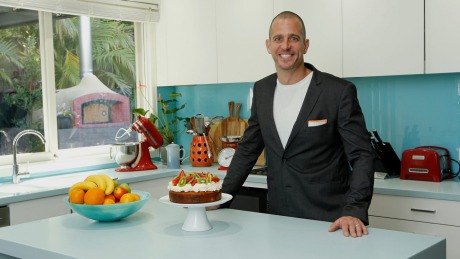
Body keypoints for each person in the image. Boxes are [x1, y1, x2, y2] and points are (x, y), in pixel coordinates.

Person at [220, 11, 374, 238]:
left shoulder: (337, 92)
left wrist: (354, 211)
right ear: (268, 45)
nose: (285, 46)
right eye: (278, 39)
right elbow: (247, 150)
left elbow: (362, 154)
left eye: (293, 38)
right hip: (280, 219)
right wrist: (220, 198)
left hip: (331, 221)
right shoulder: (261, 91)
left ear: (306, 44)